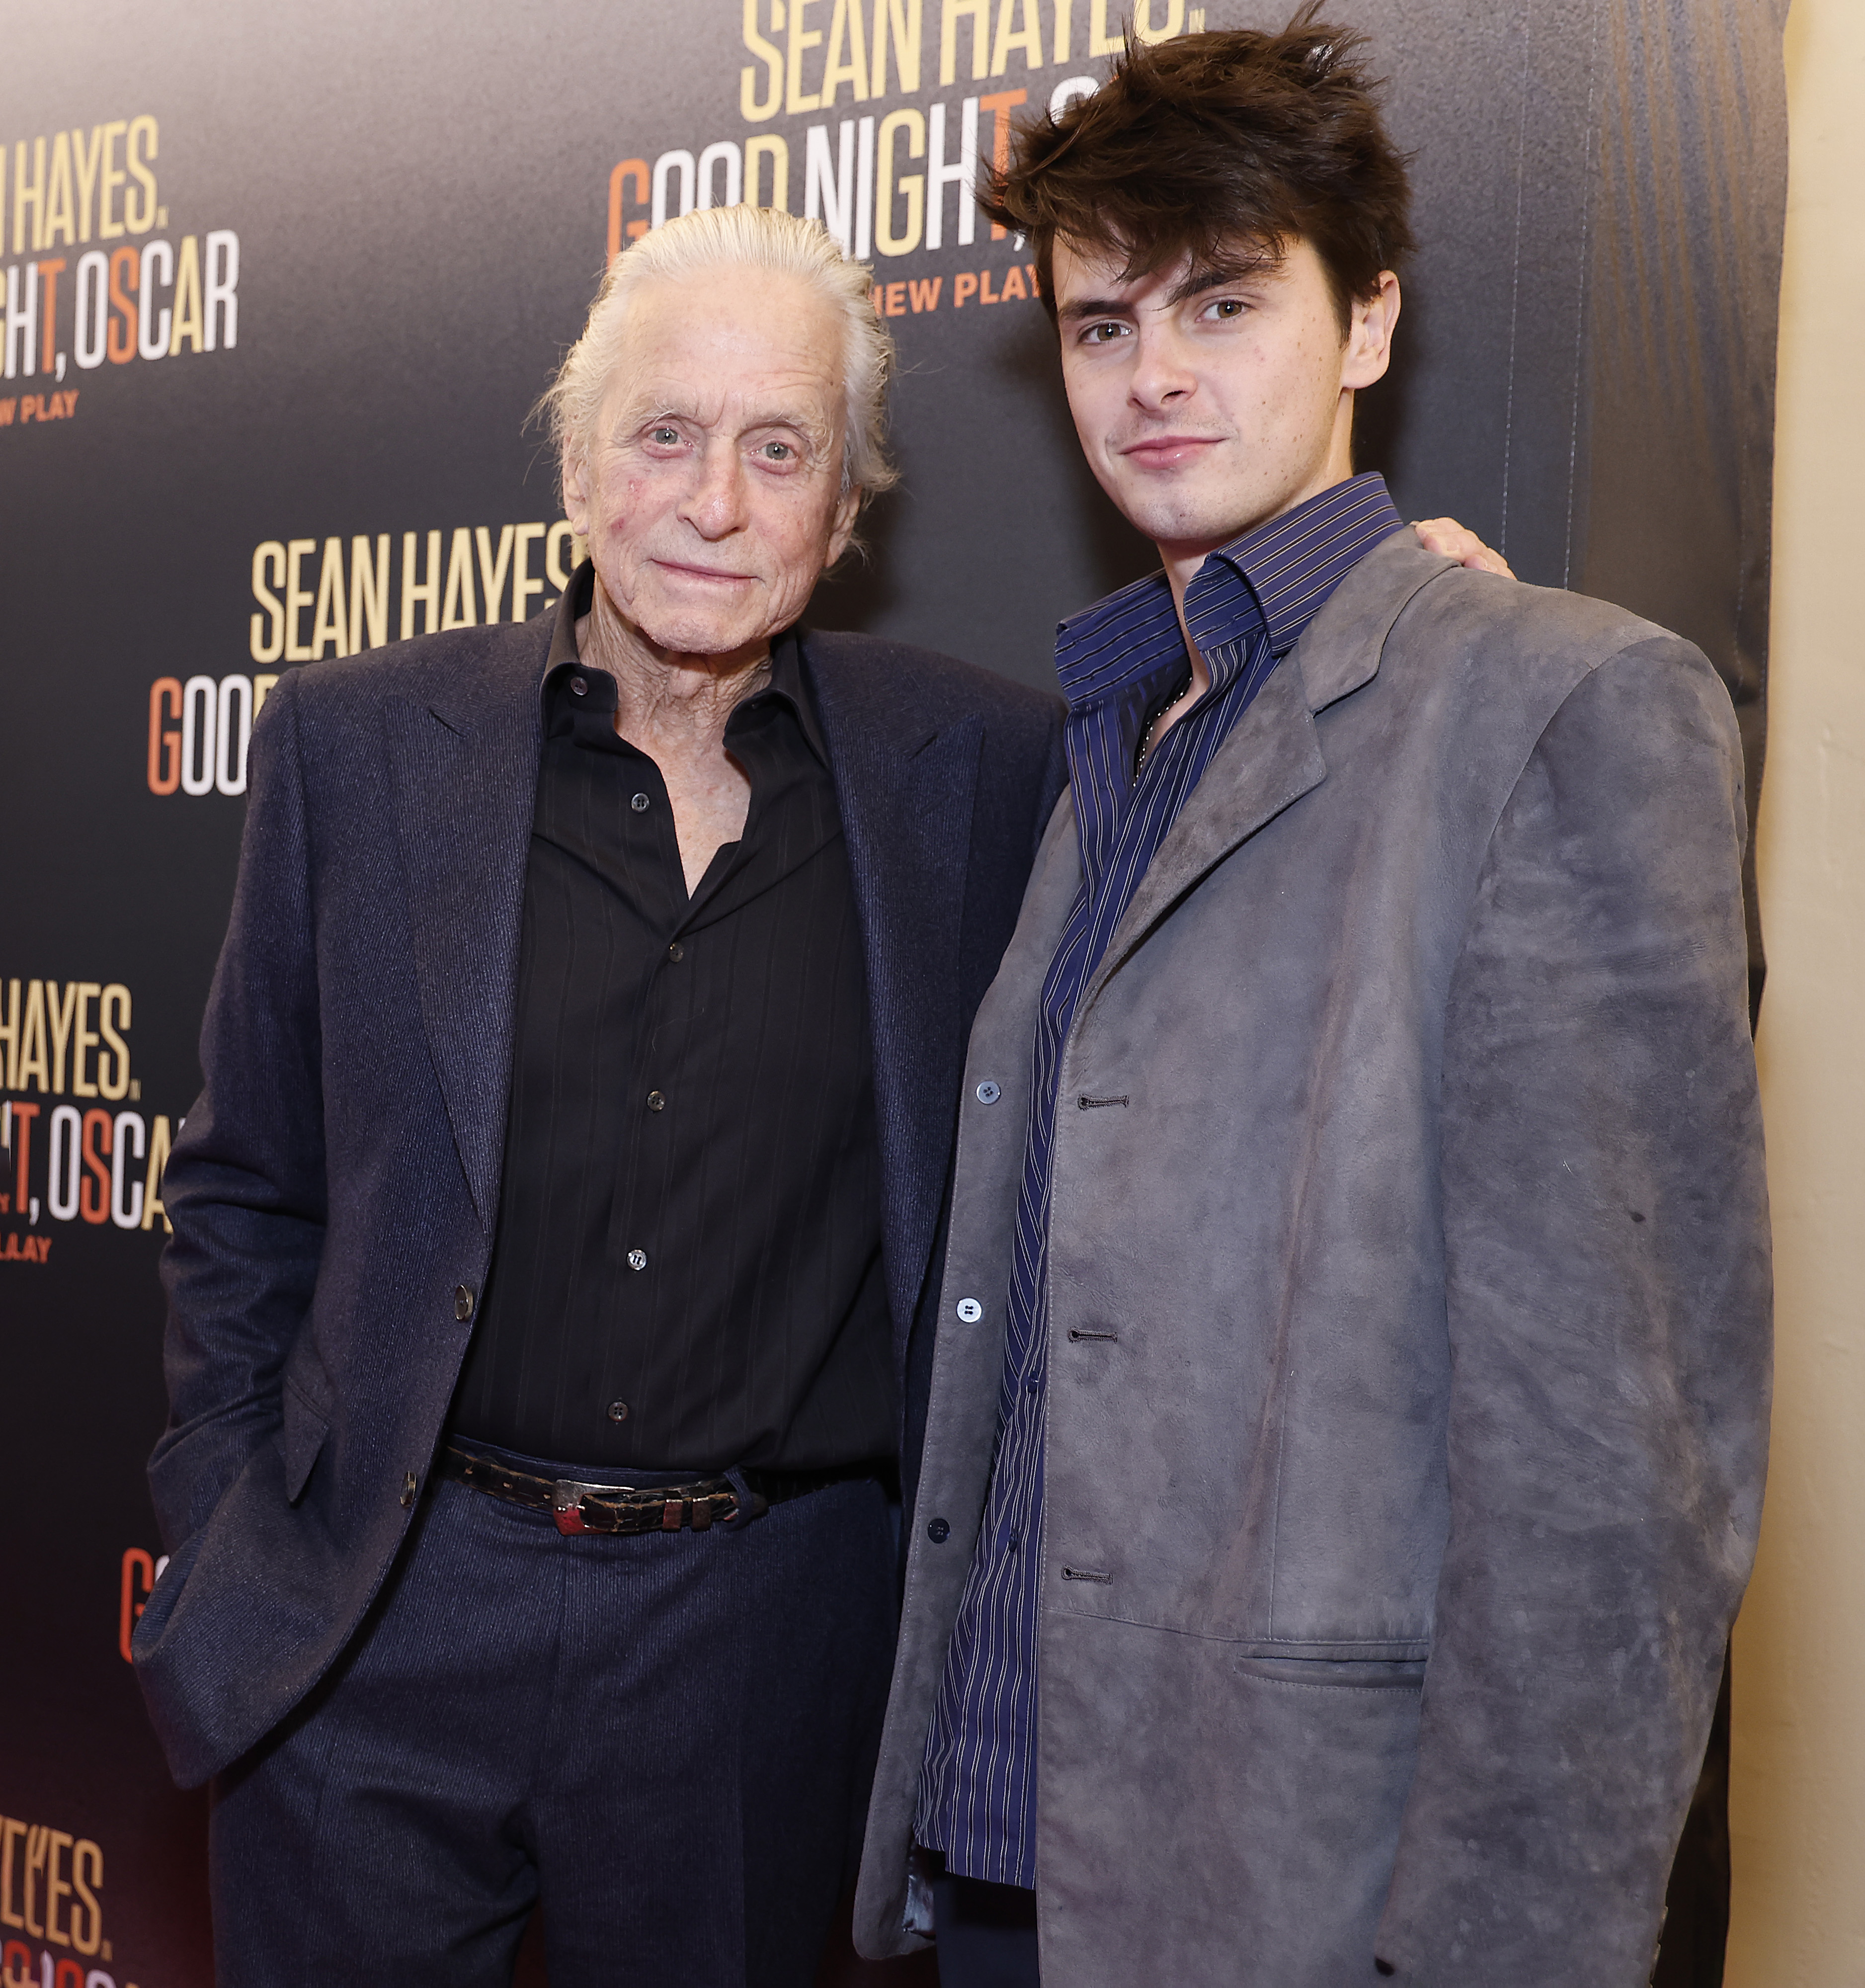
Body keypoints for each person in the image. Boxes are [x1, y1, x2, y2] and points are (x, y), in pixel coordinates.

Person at [853, 22, 1770, 1988]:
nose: (1155, 373)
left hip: (1303, 1898)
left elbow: (1616, 1491)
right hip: (1017, 1862)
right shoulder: (1112, 733)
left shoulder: (1554, 705)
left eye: (1223, 301)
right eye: (1101, 325)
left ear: (1368, 322)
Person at [130, 203, 1070, 1988]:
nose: (714, 501)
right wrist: (231, 1526)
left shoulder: (988, 777)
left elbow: (1233, 803)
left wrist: (1405, 614)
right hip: (380, 1619)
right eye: (665, 433)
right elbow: (246, 1188)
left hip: (760, 1647)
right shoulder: (358, 748)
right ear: (576, 464)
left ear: (847, 509)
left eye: (778, 448)